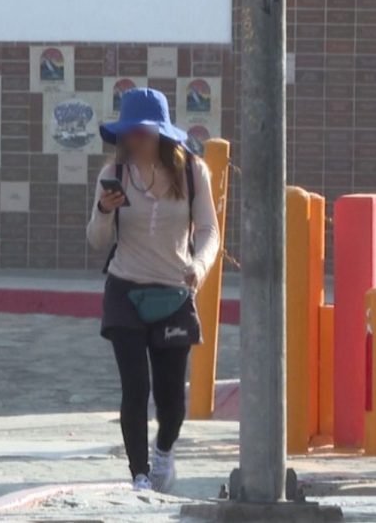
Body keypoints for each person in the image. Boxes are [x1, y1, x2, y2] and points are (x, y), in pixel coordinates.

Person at [87, 88, 220, 492]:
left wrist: (199, 266)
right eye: (128, 133)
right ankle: (140, 475)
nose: (134, 141)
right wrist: (104, 211)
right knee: (135, 387)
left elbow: (210, 230)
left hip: (174, 291)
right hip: (125, 287)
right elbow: (95, 240)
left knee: (171, 400)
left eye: (142, 133)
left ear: (161, 134)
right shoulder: (113, 174)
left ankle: (164, 451)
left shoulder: (193, 173)